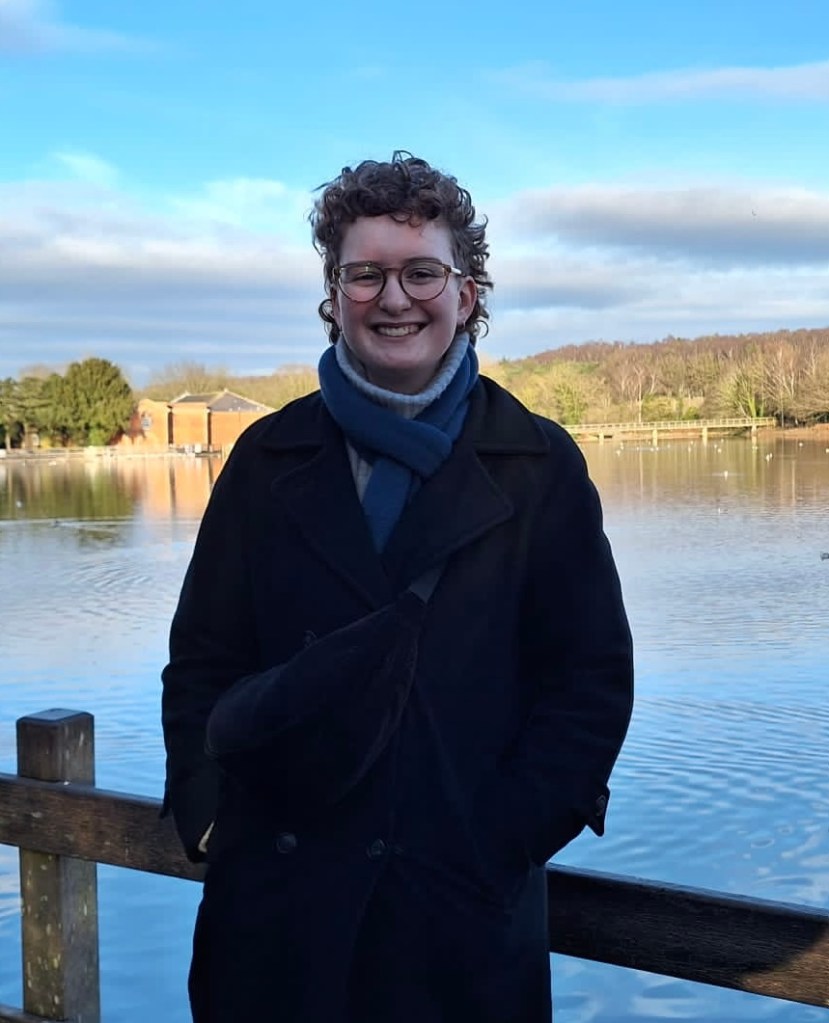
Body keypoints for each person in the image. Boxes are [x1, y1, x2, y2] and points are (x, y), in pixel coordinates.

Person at [161, 152, 634, 1023]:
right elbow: (202, 659)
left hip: (458, 925)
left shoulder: (539, 464)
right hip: (278, 915)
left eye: (421, 271)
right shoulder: (264, 458)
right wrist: (209, 817)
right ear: (333, 293)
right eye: (365, 273)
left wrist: (501, 841)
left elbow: (588, 683)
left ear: (466, 292)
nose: (393, 297)